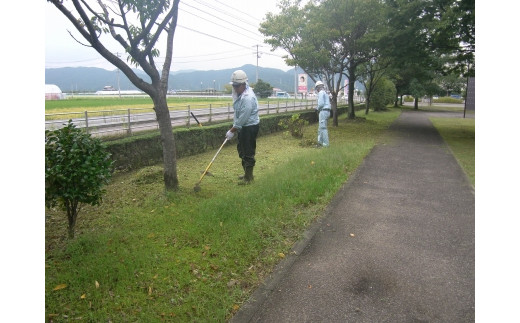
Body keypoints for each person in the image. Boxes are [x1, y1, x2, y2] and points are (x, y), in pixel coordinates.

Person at [225, 70, 260, 185]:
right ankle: (246, 173)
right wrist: (235, 128)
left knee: (248, 151)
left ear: (243, 84)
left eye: (236, 86)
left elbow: (243, 118)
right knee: (241, 150)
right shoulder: (240, 94)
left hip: (249, 127)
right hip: (243, 127)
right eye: (233, 86)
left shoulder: (248, 98)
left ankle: (249, 178)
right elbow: (237, 114)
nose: (234, 88)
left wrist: (232, 130)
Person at [314, 81, 330, 147]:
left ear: (318, 87)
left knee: (323, 128)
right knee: (320, 128)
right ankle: (320, 143)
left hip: (323, 111)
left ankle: (326, 144)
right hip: (327, 111)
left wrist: (317, 108)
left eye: (316, 88)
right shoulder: (326, 93)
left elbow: (321, 104)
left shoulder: (321, 93)